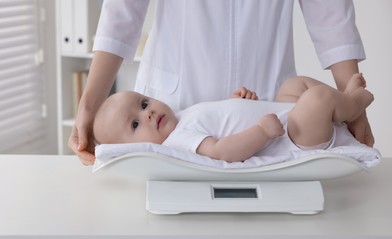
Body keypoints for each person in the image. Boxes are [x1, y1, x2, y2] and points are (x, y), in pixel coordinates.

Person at [70, 0, 374, 165]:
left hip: (266, 104)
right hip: (174, 107)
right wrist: (88, 106)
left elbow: (329, 11)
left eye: (143, 108)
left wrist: (351, 99)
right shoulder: (151, 116)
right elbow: (122, 10)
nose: (144, 112)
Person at [93, 73, 373, 162]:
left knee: (293, 85)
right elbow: (220, 150)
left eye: (143, 103)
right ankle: (352, 103)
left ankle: (343, 104)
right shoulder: (178, 141)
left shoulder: (181, 116)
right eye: (135, 124)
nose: (148, 113)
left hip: (281, 112)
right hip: (294, 138)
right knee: (316, 100)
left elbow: (220, 120)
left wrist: (237, 104)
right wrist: (261, 131)